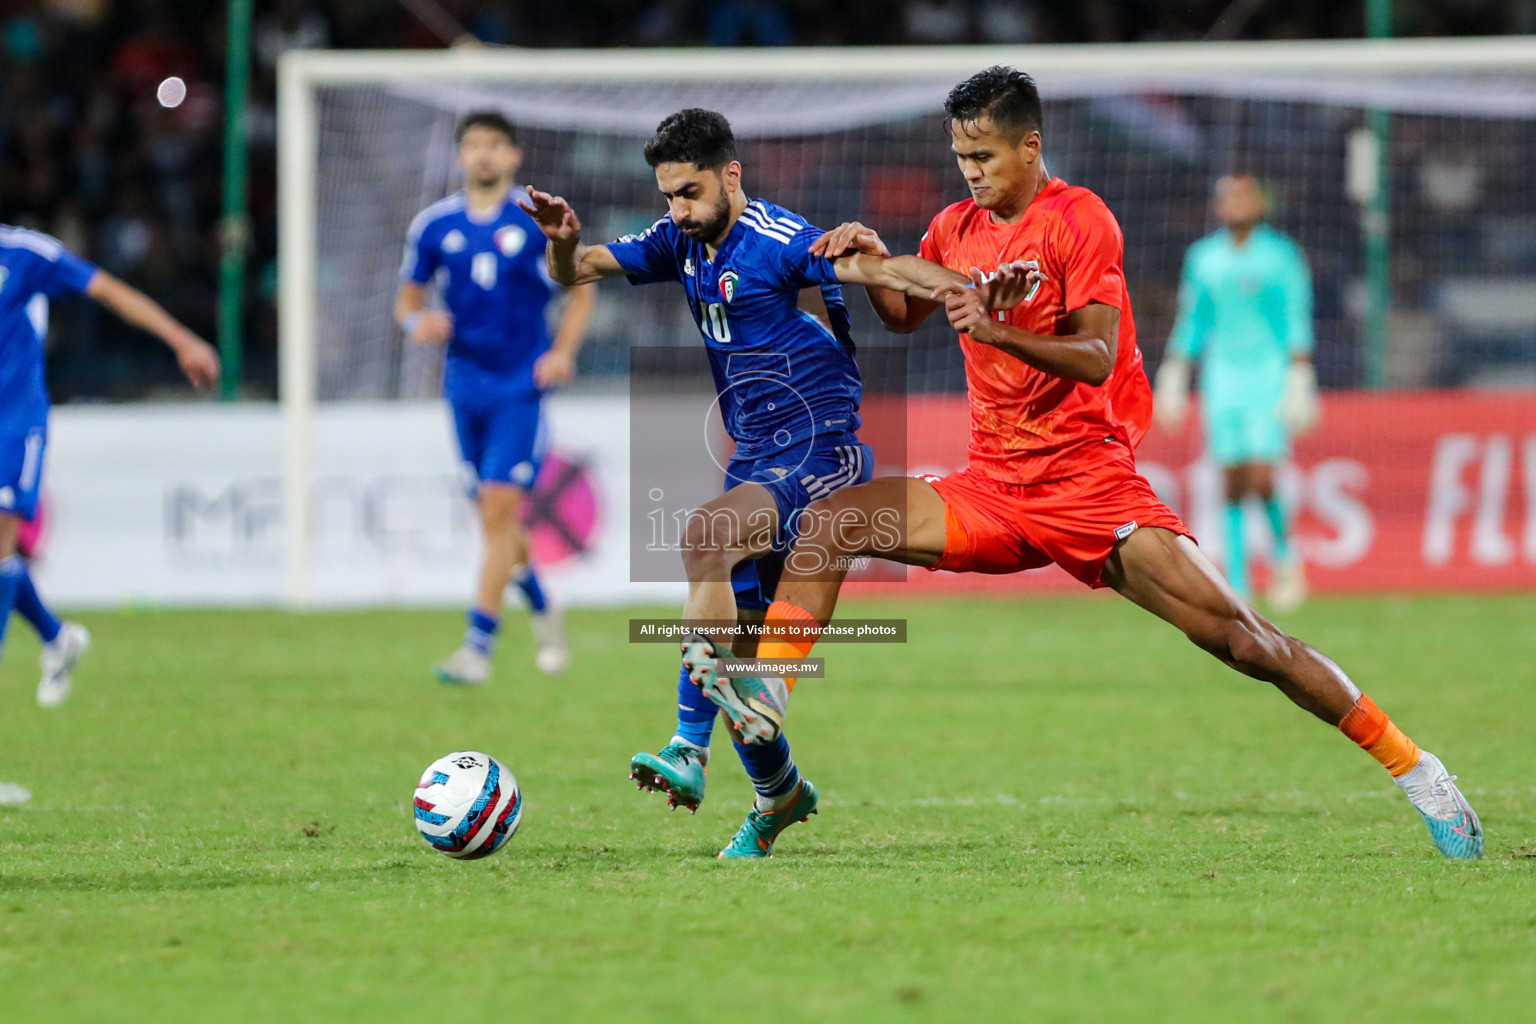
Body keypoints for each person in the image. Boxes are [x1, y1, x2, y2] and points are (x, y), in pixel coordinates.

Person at [684, 67, 1483, 861]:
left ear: (1030, 147)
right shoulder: (955, 227)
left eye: (986, 158)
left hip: (1090, 487)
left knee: (1247, 643)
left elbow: (1098, 356)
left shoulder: (1080, 219)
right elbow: (903, 317)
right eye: (962, 159)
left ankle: (1419, 771)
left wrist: (1000, 332)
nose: (972, 174)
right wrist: (873, 256)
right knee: (832, 521)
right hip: (993, 488)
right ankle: (770, 694)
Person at [521, 108, 1027, 858]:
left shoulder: (780, 240)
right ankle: (778, 796)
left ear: (732, 175)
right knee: (740, 666)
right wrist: (563, 243)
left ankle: (687, 748)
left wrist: (972, 286)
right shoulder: (680, 241)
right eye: (667, 197)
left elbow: (884, 272)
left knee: (705, 540)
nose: (677, 211)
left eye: (689, 193)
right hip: (755, 456)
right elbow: (579, 270)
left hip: (819, 450)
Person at [396, 110, 597, 686]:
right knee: (495, 524)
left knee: (495, 513)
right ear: (460, 156)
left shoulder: (535, 222)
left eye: (494, 145)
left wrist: (561, 350)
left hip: (519, 387)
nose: (483, 154)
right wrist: (417, 325)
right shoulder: (433, 227)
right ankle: (541, 601)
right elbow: (407, 300)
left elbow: (581, 292)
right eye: (474, 144)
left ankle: (476, 647)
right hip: (463, 386)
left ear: (513, 156)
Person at [0, 223, 220, 707]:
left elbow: (108, 289)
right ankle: (57, 638)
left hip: (13, 421)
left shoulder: (24, 253)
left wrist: (181, 339)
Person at [1154, 174, 1317, 611]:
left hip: (1267, 375)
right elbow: (1193, 319)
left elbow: (1295, 314)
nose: (1233, 204)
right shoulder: (1204, 258)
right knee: (1230, 480)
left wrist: (1301, 374)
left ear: (1259, 202)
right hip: (1222, 377)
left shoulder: (1281, 256)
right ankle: (1239, 580)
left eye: (1242, 196)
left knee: (1262, 475)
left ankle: (1286, 559)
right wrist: (1174, 370)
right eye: (1226, 197)